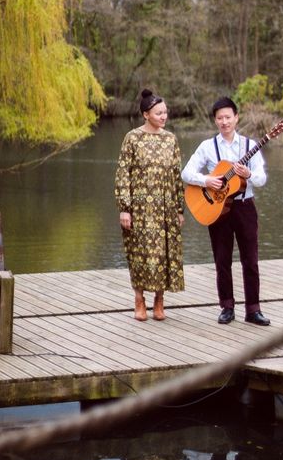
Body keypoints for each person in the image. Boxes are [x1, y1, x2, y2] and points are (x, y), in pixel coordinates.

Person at [181, 96, 270, 326]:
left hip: (244, 206)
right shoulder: (207, 147)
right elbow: (186, 173)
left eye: (228, 117)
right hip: (218, 209)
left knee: (250, 260)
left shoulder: (250, 146)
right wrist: (207, 180)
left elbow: (261, 179)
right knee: (222, 260)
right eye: (220, 118)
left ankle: (253, 310)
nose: (224, 122)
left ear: (236, 118)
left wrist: (248, 175)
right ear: (215, 121)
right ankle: (227, 307)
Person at [115, 89, 185, 321]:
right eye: (158, 113)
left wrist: (179, 209)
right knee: (140, 253)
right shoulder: (132, 138)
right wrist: (124, 207)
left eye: (165, 112)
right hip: (140, 208)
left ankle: (159, 300)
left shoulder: (171, 139)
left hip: (165, 206)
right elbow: (123, 173)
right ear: (146, 114)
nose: (164, 117)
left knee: (164, 253)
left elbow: (176, 175)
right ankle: (139, 299)